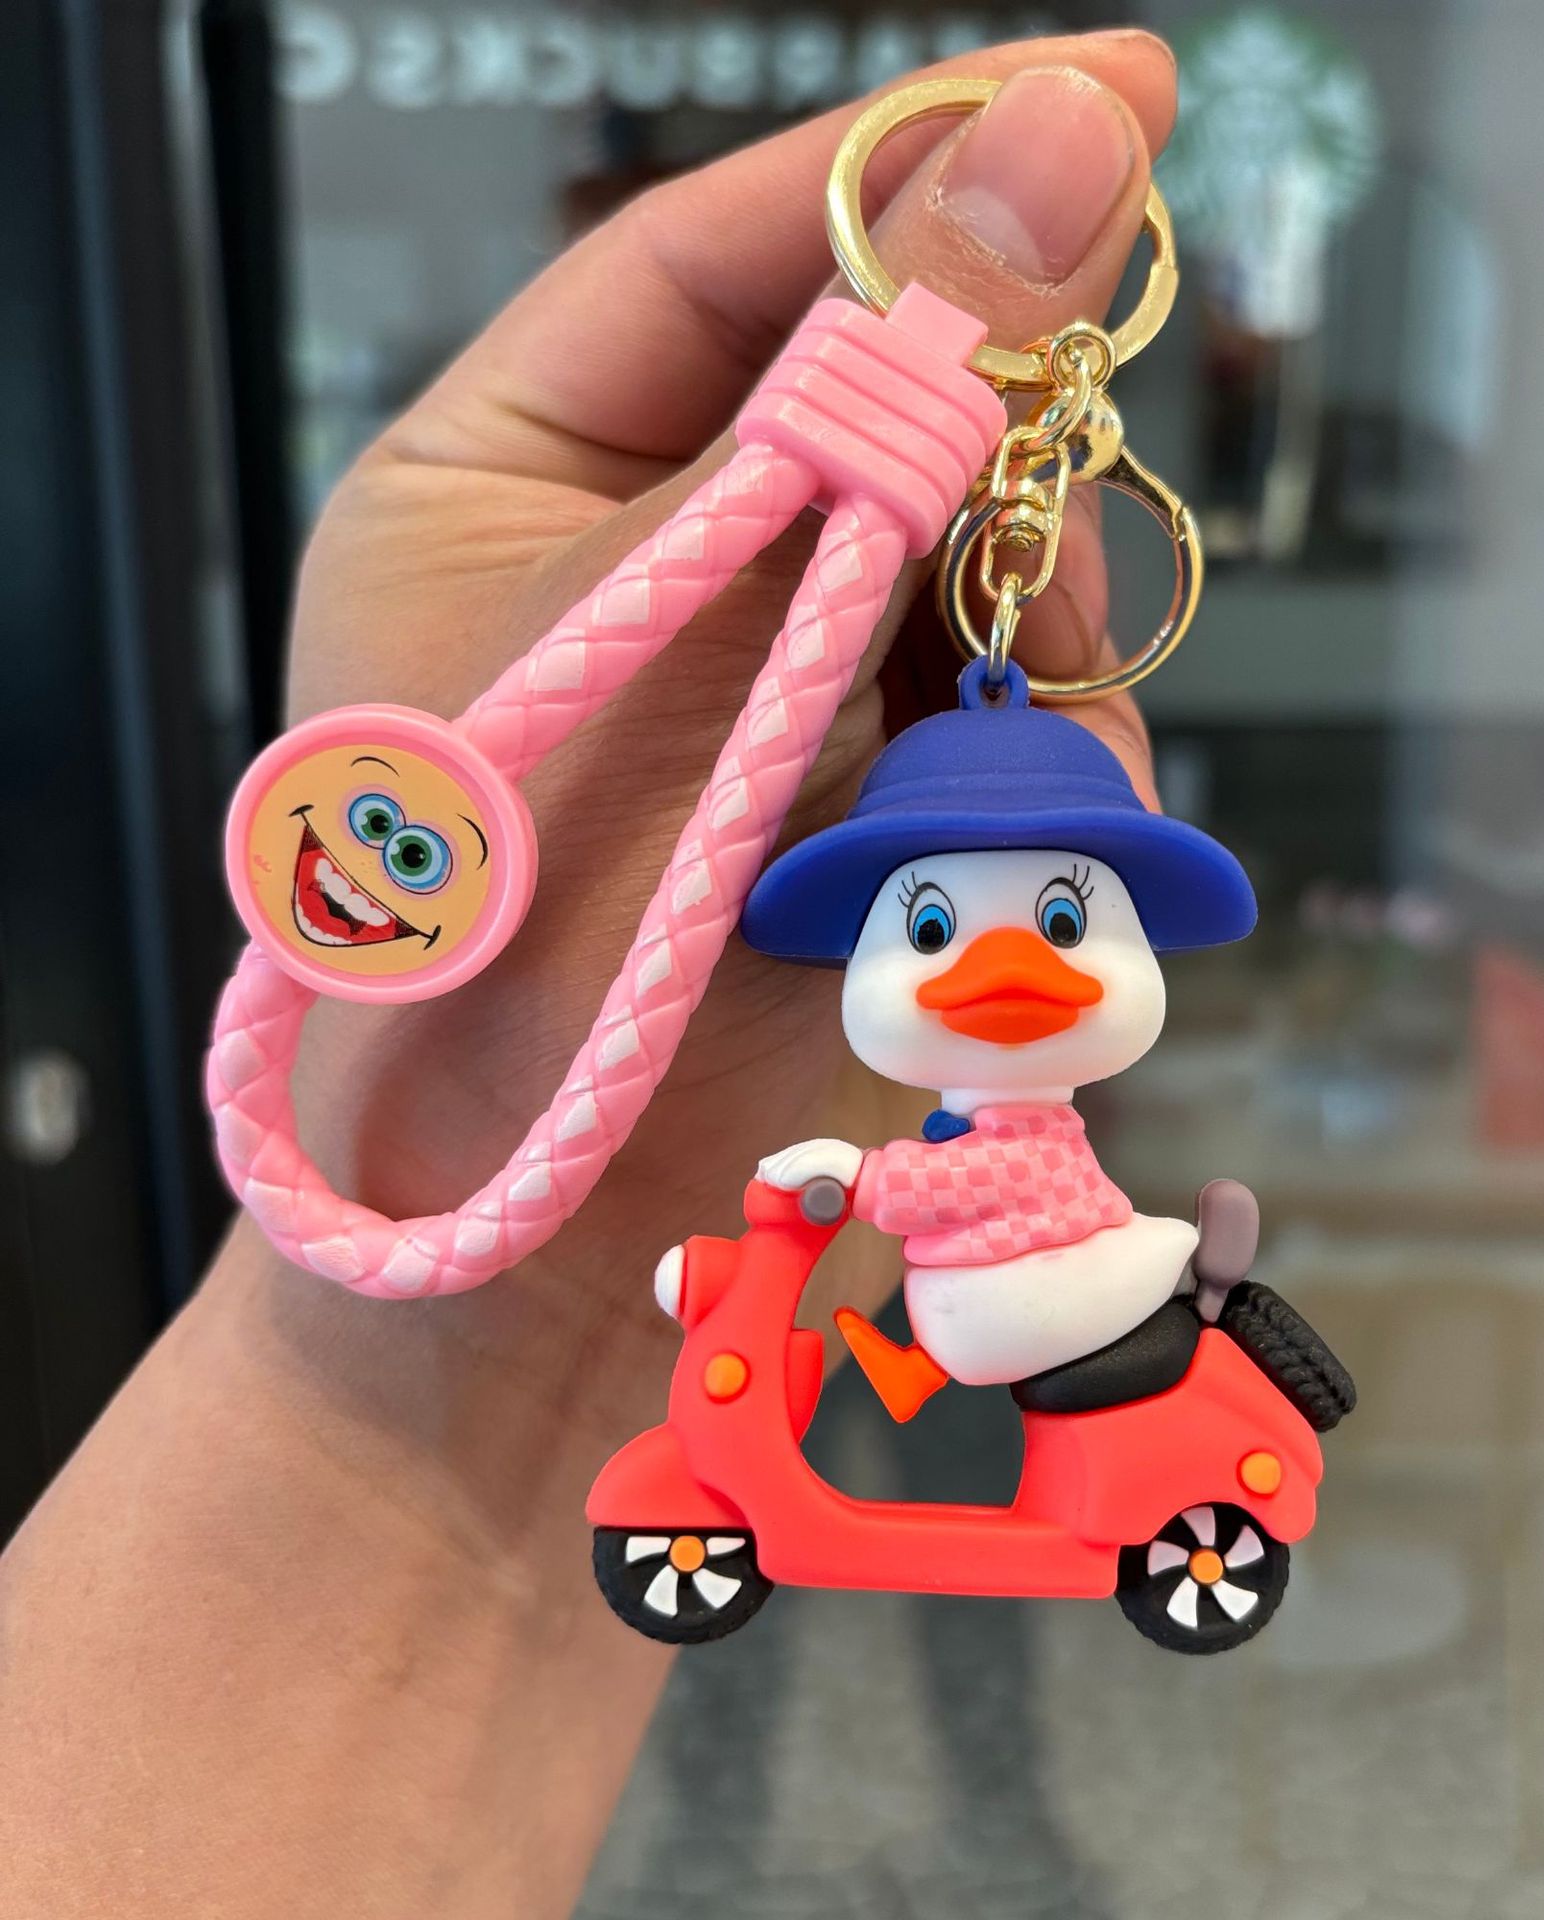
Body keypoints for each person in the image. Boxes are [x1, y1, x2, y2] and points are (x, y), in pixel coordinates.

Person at [0, 36, 1176, 1919]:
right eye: (933, 929)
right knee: (866, 1434)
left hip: (1005, 1283)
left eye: (1063, 924)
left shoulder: (992, 1124)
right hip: (885, 1285)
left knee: (951, 1444)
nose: (1005, 973)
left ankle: (993, 1781)